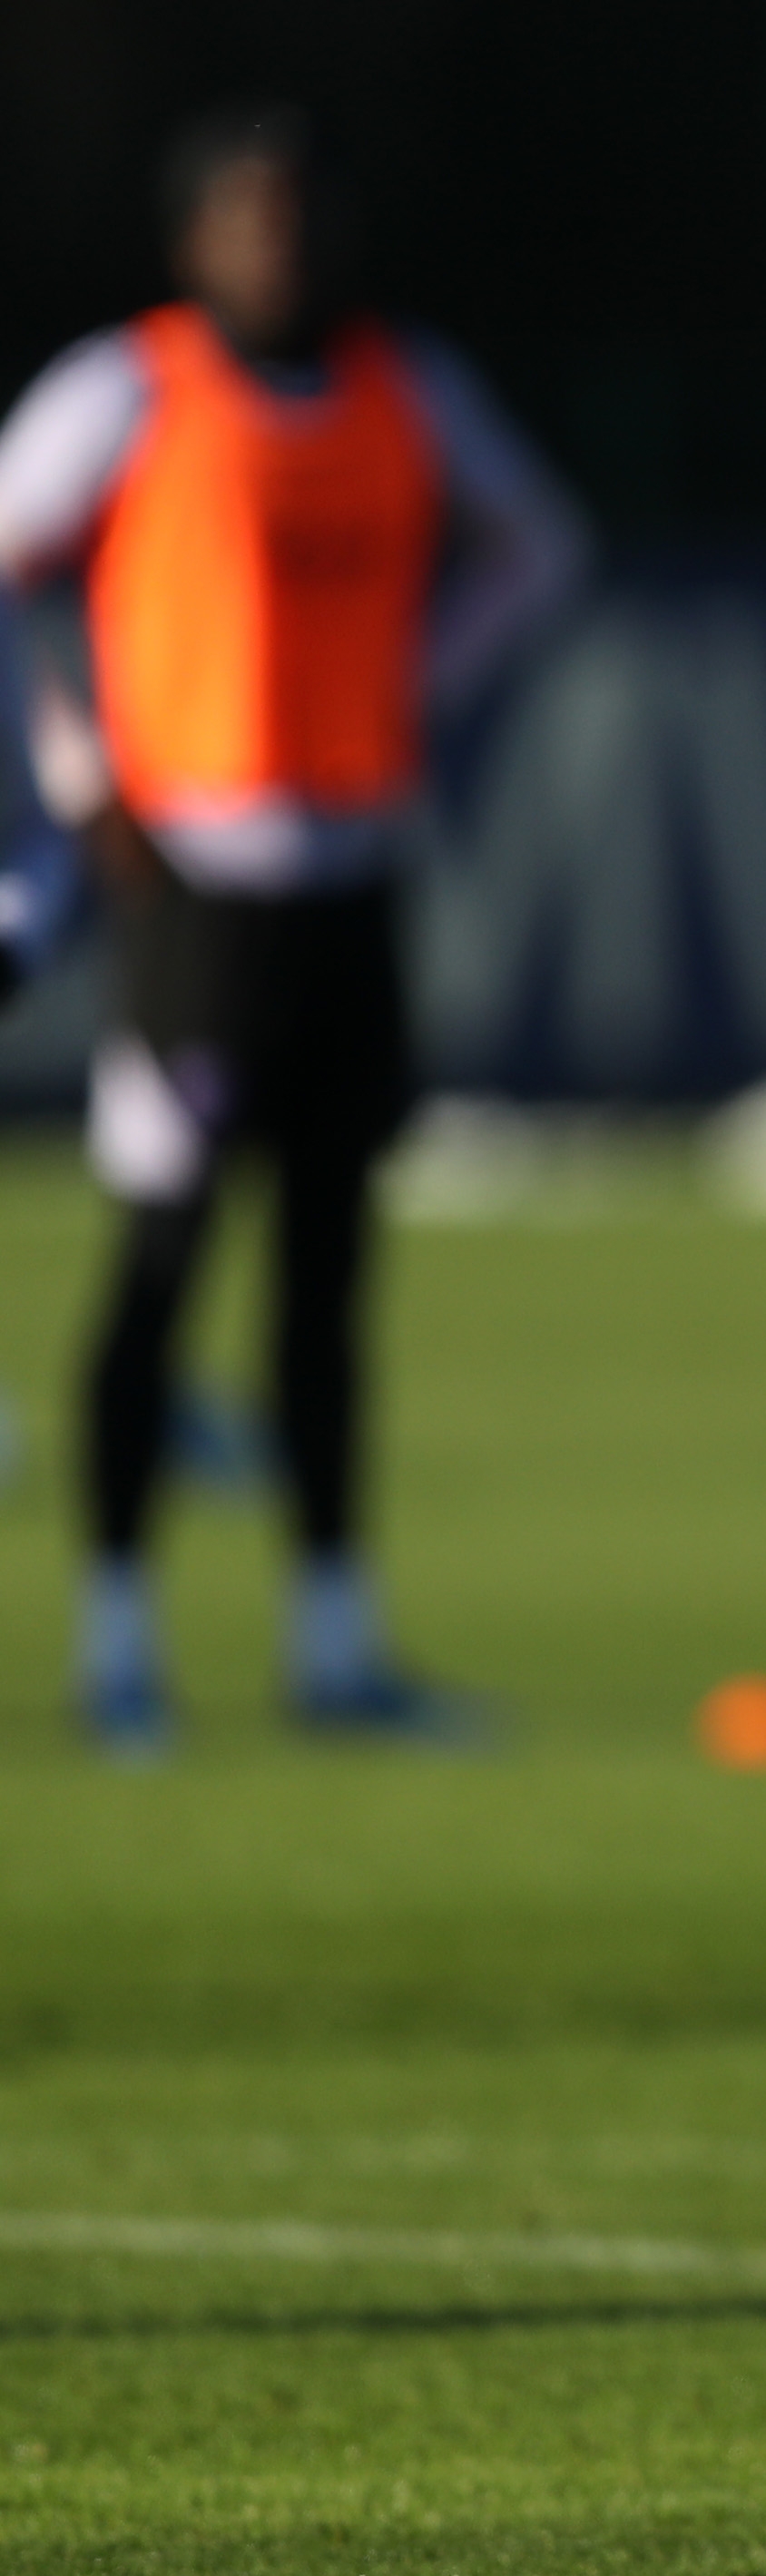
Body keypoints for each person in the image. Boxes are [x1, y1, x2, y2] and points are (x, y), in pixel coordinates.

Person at [0, 107, 582, 1752]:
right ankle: (119, 1643)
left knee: (327, 1274)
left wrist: (422, 678)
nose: (285, 250)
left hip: (353, 877)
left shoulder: (410, 391)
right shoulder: (128, 393)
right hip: (195, 883)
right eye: (251, 223)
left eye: (305, 218)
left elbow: (541, 549)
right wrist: (72, 761)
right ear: (194, 246)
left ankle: (335, 1640)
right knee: (166, 1251)